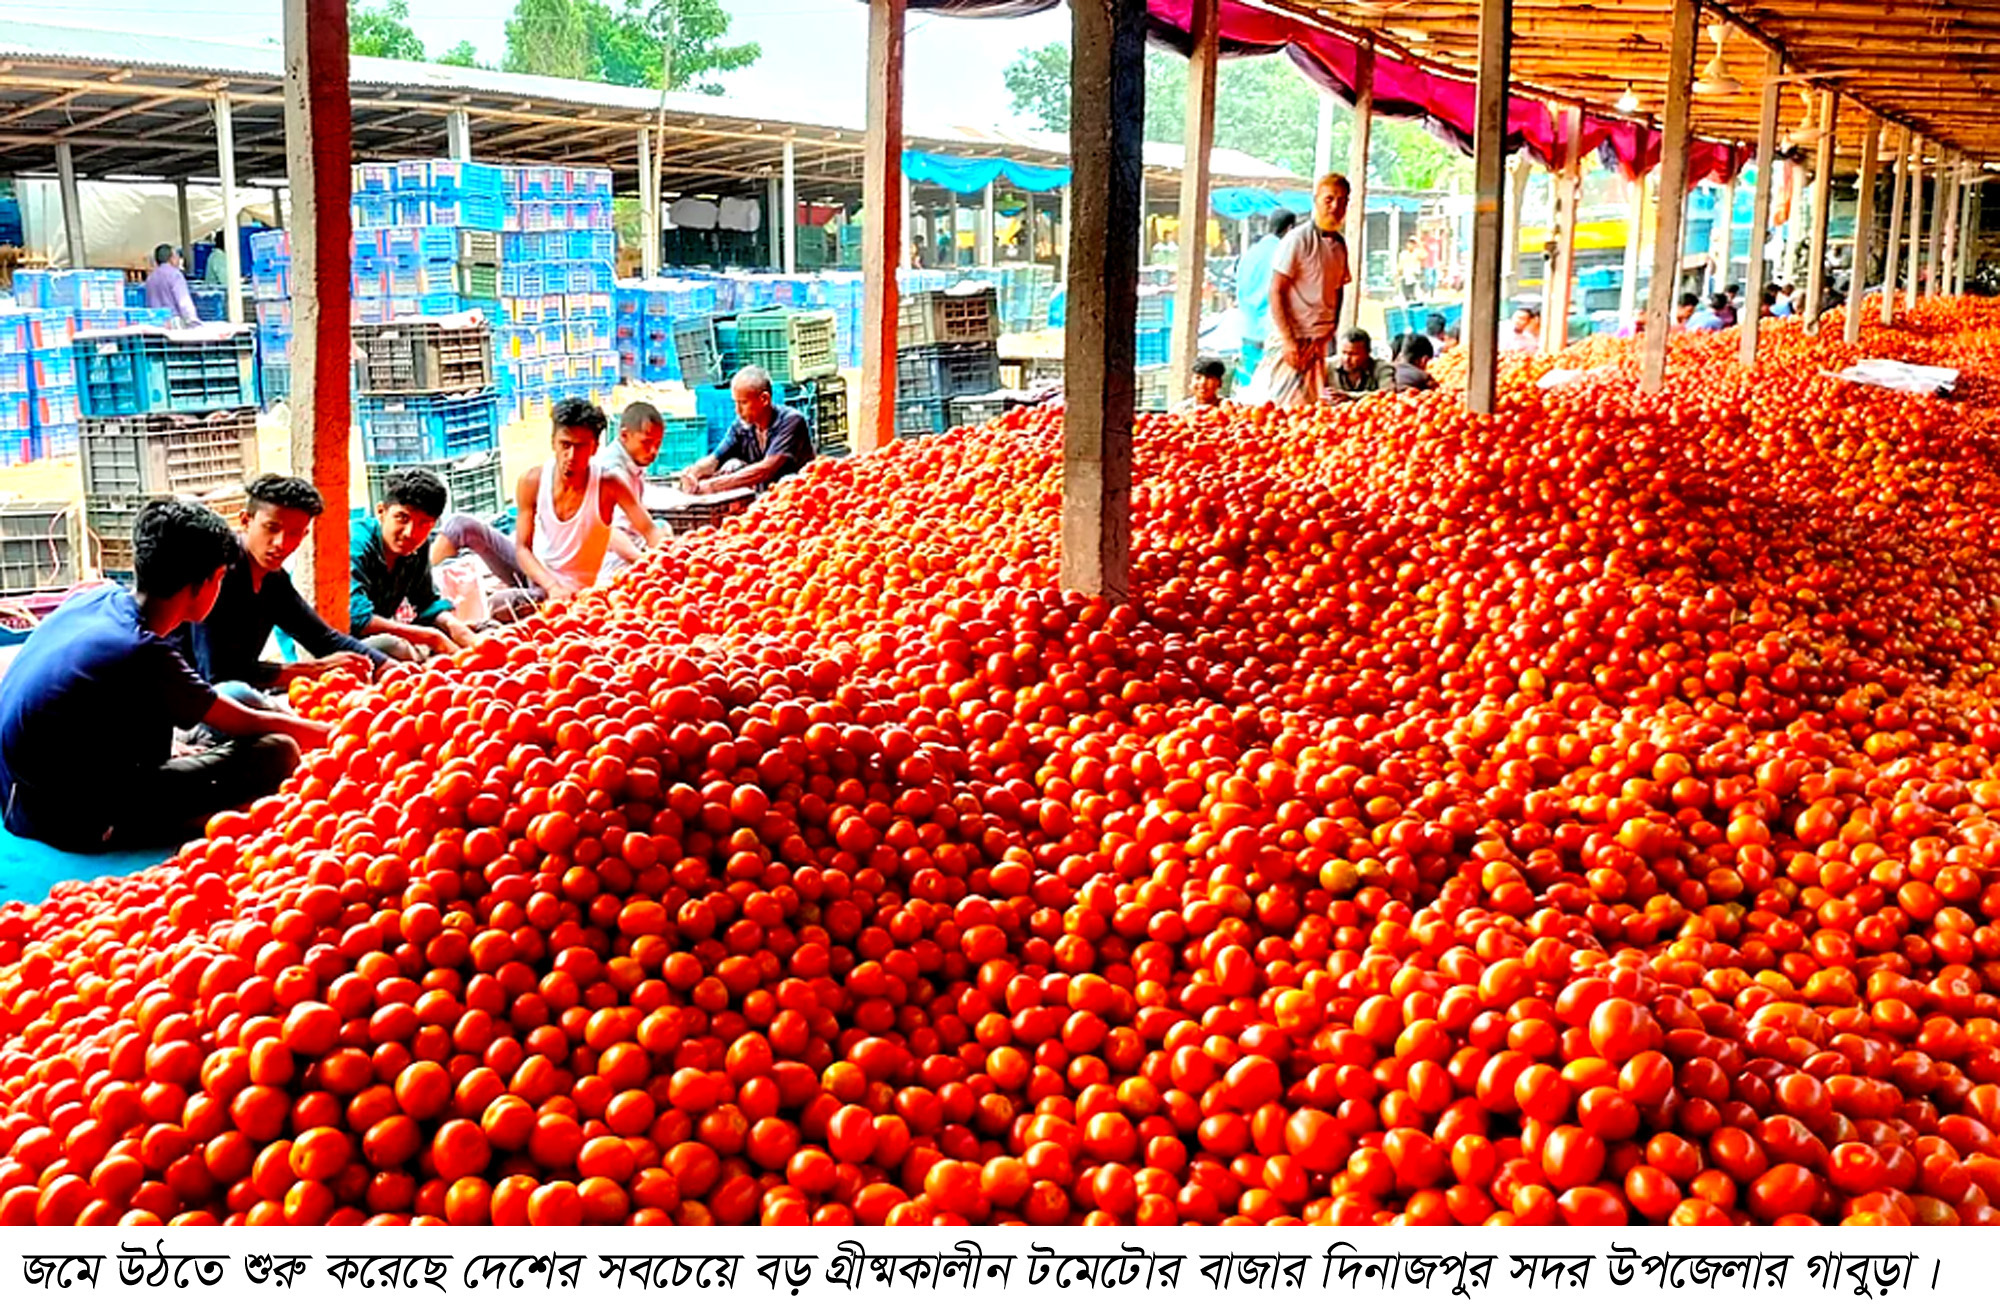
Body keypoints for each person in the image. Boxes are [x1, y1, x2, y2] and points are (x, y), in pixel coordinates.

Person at [0, 501, 329, 851]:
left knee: (236, 691)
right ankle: (159, 823)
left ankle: (171, 767)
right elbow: (242, 722)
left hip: (29, 786)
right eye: (219, 578)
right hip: (69, 818)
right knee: (278, 752)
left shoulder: (100, 599)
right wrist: (338, 736)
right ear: (200, 585)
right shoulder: (140, 651)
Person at [433, 396, 662, 617]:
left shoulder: (608, 485)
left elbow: (650, 530)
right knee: (460, 525)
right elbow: (522, 548)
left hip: (569, 593)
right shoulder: (532, 481)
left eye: (581, 447)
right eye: (565, 444)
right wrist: (550, 583)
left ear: (594, 448)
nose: (571, 455)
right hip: (537, 572)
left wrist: (665, 564)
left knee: (498, 605)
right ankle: (420, 592)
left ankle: (456, 622)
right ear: (553, 442)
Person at [178, 475, 388, 704]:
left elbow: (322, 638)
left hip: (228, 690)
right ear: (245, 521)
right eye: (271, 528)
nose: (281, 543)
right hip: (190, 704)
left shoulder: (273, 579)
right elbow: (220, 676)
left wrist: (391, 669)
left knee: (385, 648)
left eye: (295, 533)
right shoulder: (219, 575)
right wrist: (315, 669)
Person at [349, 468, 479, 662]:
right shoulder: (355, 544)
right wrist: (432, 637)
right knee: (392, 645)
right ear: (381, 512)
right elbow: (356, 618)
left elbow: (426, 601)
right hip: (334, 646)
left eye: (424, 523)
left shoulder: (416, 548)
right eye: (402, 518)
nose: (411, 533)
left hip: (370, 638)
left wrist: (454, 626)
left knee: (473, 628)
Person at [1250, 173, 1352, 409]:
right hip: (1292, 341)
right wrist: (1288, 341)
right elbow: (1276, 291)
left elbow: (1338, 290)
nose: (1335, 207)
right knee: (1281, 412)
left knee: (1309, 412)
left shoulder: (1340, 245)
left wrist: (1331, 329)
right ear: (1316, 200)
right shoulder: (1297, 240)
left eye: (1342, 201)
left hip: (1317, 343)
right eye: (1329, 199)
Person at [681, 366, 815, 496]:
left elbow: (765, 470)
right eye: (735, 403)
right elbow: (715, 459)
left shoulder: (791, 421)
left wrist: (712, 486)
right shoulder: (742, 426)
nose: (737, 410)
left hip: (800, 499)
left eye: (743, 403)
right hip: (768, 502)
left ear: (764, 399)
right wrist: (694, 473)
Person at [595, 401, 668, 567]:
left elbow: (647, 527)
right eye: (647, 443)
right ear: (624, 435)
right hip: (609, 561)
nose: (653, 451)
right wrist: (643, 562)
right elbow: (610, 532)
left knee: (663, 527)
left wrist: (669, 553)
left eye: (657, 444)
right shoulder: (614, 472)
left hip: (631, 542)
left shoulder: (632, 461)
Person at [1234, 209, 1297, 387]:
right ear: (1290, 229)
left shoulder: (1249, 254)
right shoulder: (1284, 253)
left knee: (1247, 388)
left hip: (1248, 327)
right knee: (1273, 392)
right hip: (1273, 330)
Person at [1327, 328, 1397, 400]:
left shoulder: (1382, 368)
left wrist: (1350, 396)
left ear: (1367, 353)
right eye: (1344, 352)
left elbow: (1388, 393)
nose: (1346, 359)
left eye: (1353, 354)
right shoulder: (1328, 367)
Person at [143, 244, 200, 328]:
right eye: (177, 256)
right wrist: (194, 322)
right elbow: (183, 302)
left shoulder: (150, 278)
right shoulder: (175, 275)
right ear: (171, 258)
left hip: (155, 323)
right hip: (173, 323)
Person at [1397, 236, 1425, 303]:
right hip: (1405, 276)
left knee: (1415, 294)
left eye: (1413, 243)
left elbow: (1424, 255)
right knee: (1406, 295)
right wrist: (1398, 274)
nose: (1411, 245)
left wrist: (1420, 244)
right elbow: (1400, 265)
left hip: (1415, 275)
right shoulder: (1403, 253)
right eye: (1410, 243)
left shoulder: (1417, 252)